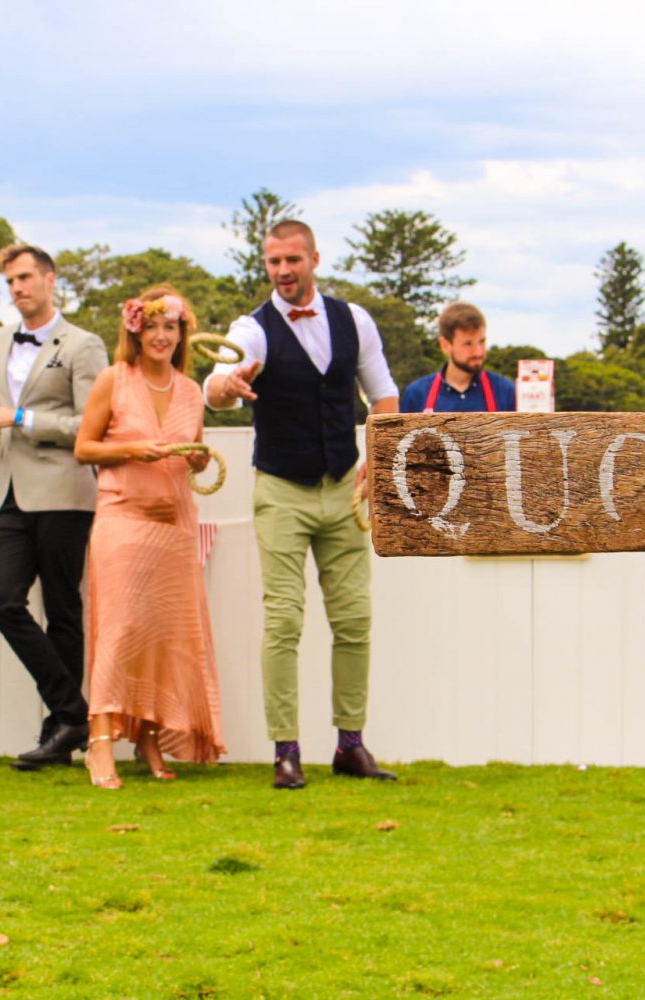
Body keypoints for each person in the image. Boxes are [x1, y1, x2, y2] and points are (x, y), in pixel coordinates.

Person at [206, 219, 400, 789]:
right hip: (281, 490)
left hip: (343, 489)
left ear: (314, 258)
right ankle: (285, 752)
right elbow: (216, 387)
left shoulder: (353, 320)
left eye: (293, 260)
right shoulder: (253, 329)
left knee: (355, 619)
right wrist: (227, 386)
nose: (284, 271)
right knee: (284, 620)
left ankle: (350, 745)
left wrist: (378, 455)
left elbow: (384, 394)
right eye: (274, 262)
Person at [73, 285, 226, 789]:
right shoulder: (114, 379)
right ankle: (99, 742)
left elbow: (192, 451)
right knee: (119, 631)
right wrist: (132, 450)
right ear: (135, 331)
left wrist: (198, 459)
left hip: (175, 525)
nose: (161, 336)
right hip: (122, 517)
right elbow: (84, 448)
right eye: (153, 326)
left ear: (182, 334)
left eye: (171, 327)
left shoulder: (191, 391)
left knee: (164, 637)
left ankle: (150, 738)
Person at [0, 243, 108, 770]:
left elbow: (92, 425)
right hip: (10, 491)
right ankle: (74, 714)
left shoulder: (84, 345)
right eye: (10, 281)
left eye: (25, 277)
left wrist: (20, 419)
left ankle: (58, 732)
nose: (17, 288)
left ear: (50, 279)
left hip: (64, 491)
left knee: (63, 611)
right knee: (1, 601)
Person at [400, 302, 518, 414]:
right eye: (468, 344)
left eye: (481, 342)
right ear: (445, 345)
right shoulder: (417, 394)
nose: (478, 352)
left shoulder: (508, 392)